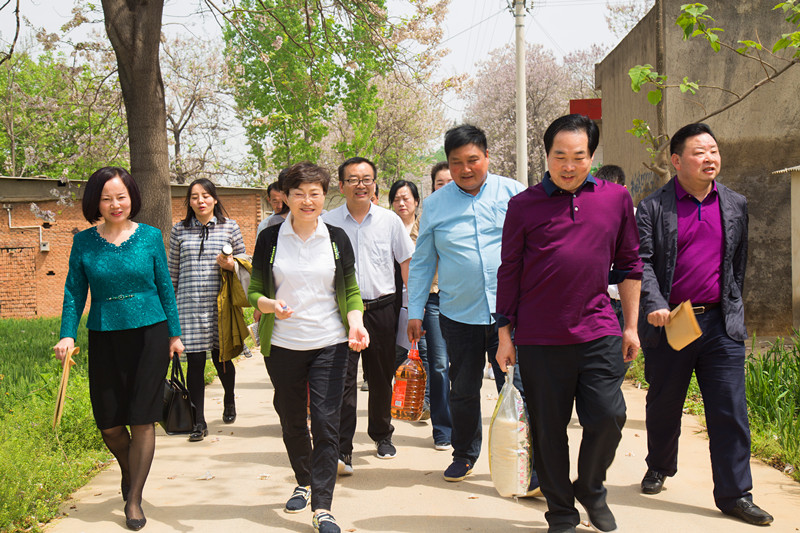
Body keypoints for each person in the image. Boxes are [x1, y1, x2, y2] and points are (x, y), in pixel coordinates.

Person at [495, 115, 642, 533]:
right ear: (547, 155)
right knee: (548, 430)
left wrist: (630, 326)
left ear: (592, 156)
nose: (568, 165)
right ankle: (560, 510)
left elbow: (631, 265)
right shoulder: (523, 205)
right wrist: (505, 334)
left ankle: (591, 487)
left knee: (609, 416)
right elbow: (509, 270)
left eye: (578, 156)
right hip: (541, 337)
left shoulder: (615, 200)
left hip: (598, 329)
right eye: (559, 156)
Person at [636, 123, 773, 525]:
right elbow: (641, 262)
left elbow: (737, 263)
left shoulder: (735, 204)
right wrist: (656, 303)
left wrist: (731, 304)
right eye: (699, 152)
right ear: (676, 161)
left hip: (719, 324)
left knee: (730, 410)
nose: (709, 158)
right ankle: (660, 464)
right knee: (663, 404)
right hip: (672, 320)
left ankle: (735, 494)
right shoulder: (653, 207)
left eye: (713, 150)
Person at [54, 167, 184, 531]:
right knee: (109, 422)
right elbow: (73, 292)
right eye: (107, 198)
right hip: (105, 332)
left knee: (142, 417)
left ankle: (134, 498)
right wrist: (68, 334)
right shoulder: (84, 242)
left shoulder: (150, 236)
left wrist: (174, 334)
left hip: (150, 333)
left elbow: (164, 286)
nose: (115, 204)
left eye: (121, 197)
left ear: (132, 199)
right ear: (96, 201)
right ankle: (131, 470)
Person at [248, 162, 369, 533]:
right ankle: (303, 478)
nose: (307, 200)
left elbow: (350, 290)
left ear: (324, 196)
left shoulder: (335, 239)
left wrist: (356, 323)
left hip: (329, 343)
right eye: (298, 193)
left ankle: (322, 506)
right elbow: (253, 290)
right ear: (284, 196)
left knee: (327, 421)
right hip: (283, 345)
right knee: (291, 418)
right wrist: (269, 306)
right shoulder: (270, 238)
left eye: (314, 193)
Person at [407, 125, 529, 483]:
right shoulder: (435, 205)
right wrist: (415, 311)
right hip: (458, 314)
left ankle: (526, 457)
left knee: (519, 387)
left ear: (487, 157)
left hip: (509, 314)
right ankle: (465, 454)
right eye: (456, 162)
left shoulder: (514, 194)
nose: (465, 169)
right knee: (462, 388)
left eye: (473, 160)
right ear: (448, 163)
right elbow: (424, 261)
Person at [322, 157, 414, 473]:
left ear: (374, 184)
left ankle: (381, 434)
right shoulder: (327, 222)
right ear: (341, 185)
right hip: (343, 312)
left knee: (380, 378)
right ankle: (342, 448)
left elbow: (406, 265)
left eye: (366, 179)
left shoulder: (390, 222)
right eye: (353, 179)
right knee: (343, 382)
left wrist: (412, 310)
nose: (360, 185)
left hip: (383, 309)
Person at [168, 178, 246, 442]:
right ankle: (198, 421)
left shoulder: (229, 227)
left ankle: (229, 398)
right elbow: (172, 274)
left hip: (219, 305)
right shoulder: (179, 230)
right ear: (189, 202)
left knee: (221, 358)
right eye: (194, 197)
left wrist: (230, 264)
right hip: (187, 306)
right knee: (195, 365)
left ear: (214, 199)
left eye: (205, 196)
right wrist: (169, 314)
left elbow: (244, 264)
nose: (200, 201)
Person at [389, 179, 432, 422]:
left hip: (422, 300)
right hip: (395, 302)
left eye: (406, 198)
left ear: (417, 201)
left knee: (423, 352)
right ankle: (403, 398)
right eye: (396, 199)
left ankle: (424, 401)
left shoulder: (425, 227)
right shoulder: (389, 227)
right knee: (398, 354)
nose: (401, 203)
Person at [595, 164, 628, 331]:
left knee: (625, 355)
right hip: (600, 303)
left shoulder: (638, 218)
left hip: (627, 303)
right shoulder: (589, 220)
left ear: (624, 189)